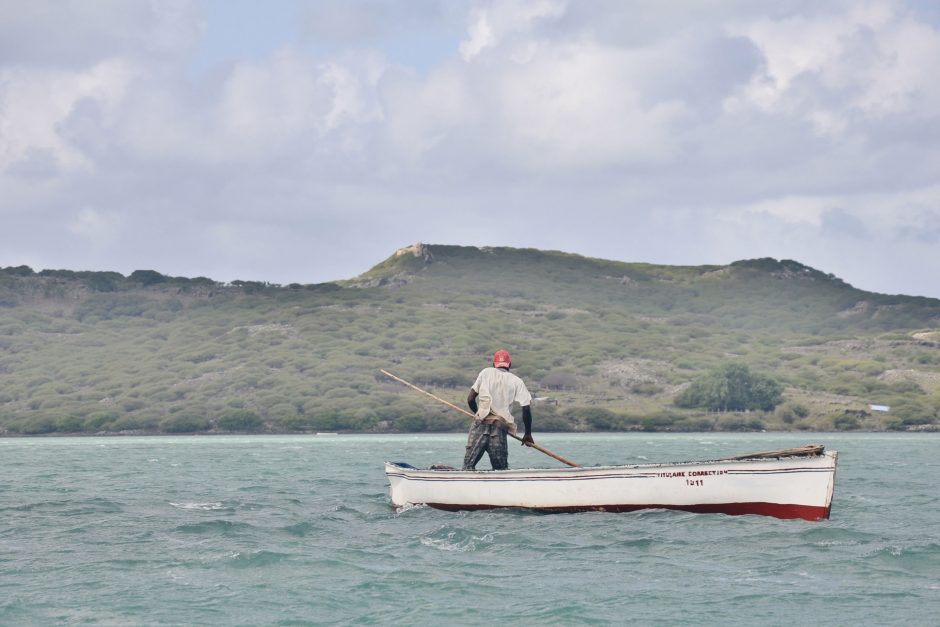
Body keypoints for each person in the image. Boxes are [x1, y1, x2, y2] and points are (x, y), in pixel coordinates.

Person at [463, 349, 534, 470]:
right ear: (509, 365)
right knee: (500, 470)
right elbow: (526, 409)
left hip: (480, 424)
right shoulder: (517, 381)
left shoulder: (485, 373)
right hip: (499, 428)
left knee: (468, 467)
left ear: (493, 364)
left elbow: (470, 399)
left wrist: (478, 415)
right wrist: (527, 434)